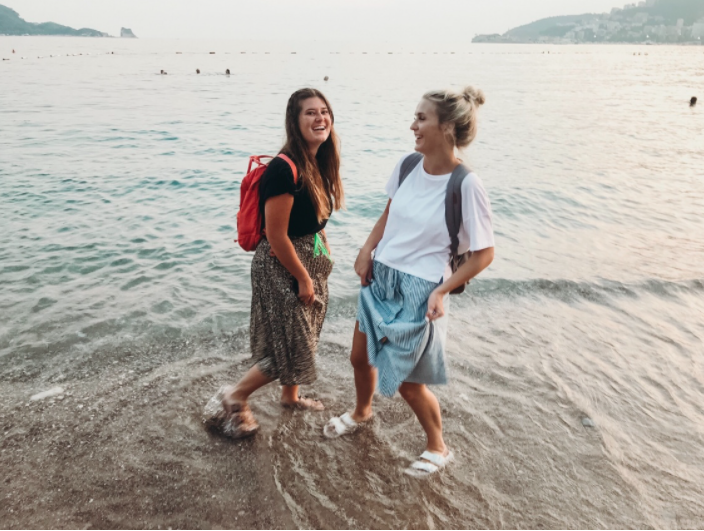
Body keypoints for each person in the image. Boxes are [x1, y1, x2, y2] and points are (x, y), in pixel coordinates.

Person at [324, 86, 495, 477]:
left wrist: (441, 291)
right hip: (381, 277)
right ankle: (362, 411)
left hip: (422, 290)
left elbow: (484, 253)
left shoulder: (467, 184)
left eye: (421, 118)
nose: (413, 126)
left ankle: (438, 447)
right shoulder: (406, 166)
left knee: (407, 382)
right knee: (359, 357)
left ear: (446, 127)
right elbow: (389, 213)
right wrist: (367, 249)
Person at [206, 88, 344, 439]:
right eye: (310, 112)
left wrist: (321, 255)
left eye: (324, 111)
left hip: (306, 262)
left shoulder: (316, 162)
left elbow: (312, 220)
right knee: (287, 345)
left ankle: (290, 397)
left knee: (300, 335)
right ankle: (235, 396)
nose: (320, 118)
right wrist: (303, 277)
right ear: (294, 121)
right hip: (282, 266)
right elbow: (277, 235)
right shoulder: (284, 170)